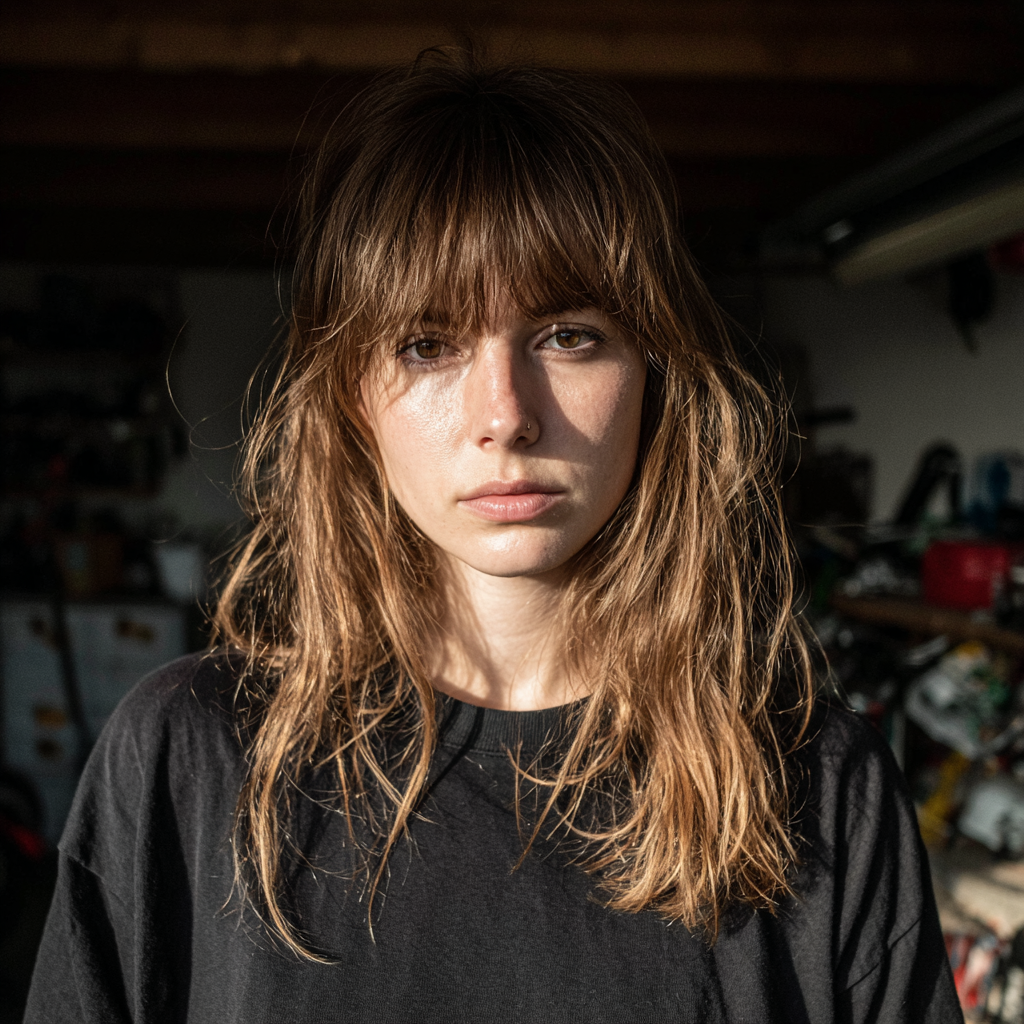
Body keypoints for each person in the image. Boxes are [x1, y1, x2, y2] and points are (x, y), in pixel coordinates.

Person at [25, 50, 960, 1024]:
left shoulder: (814, 787)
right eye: (428, 343)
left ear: (653, 370)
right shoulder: (188, 758)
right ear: (352, 397)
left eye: (567, 334)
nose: (505, 415)